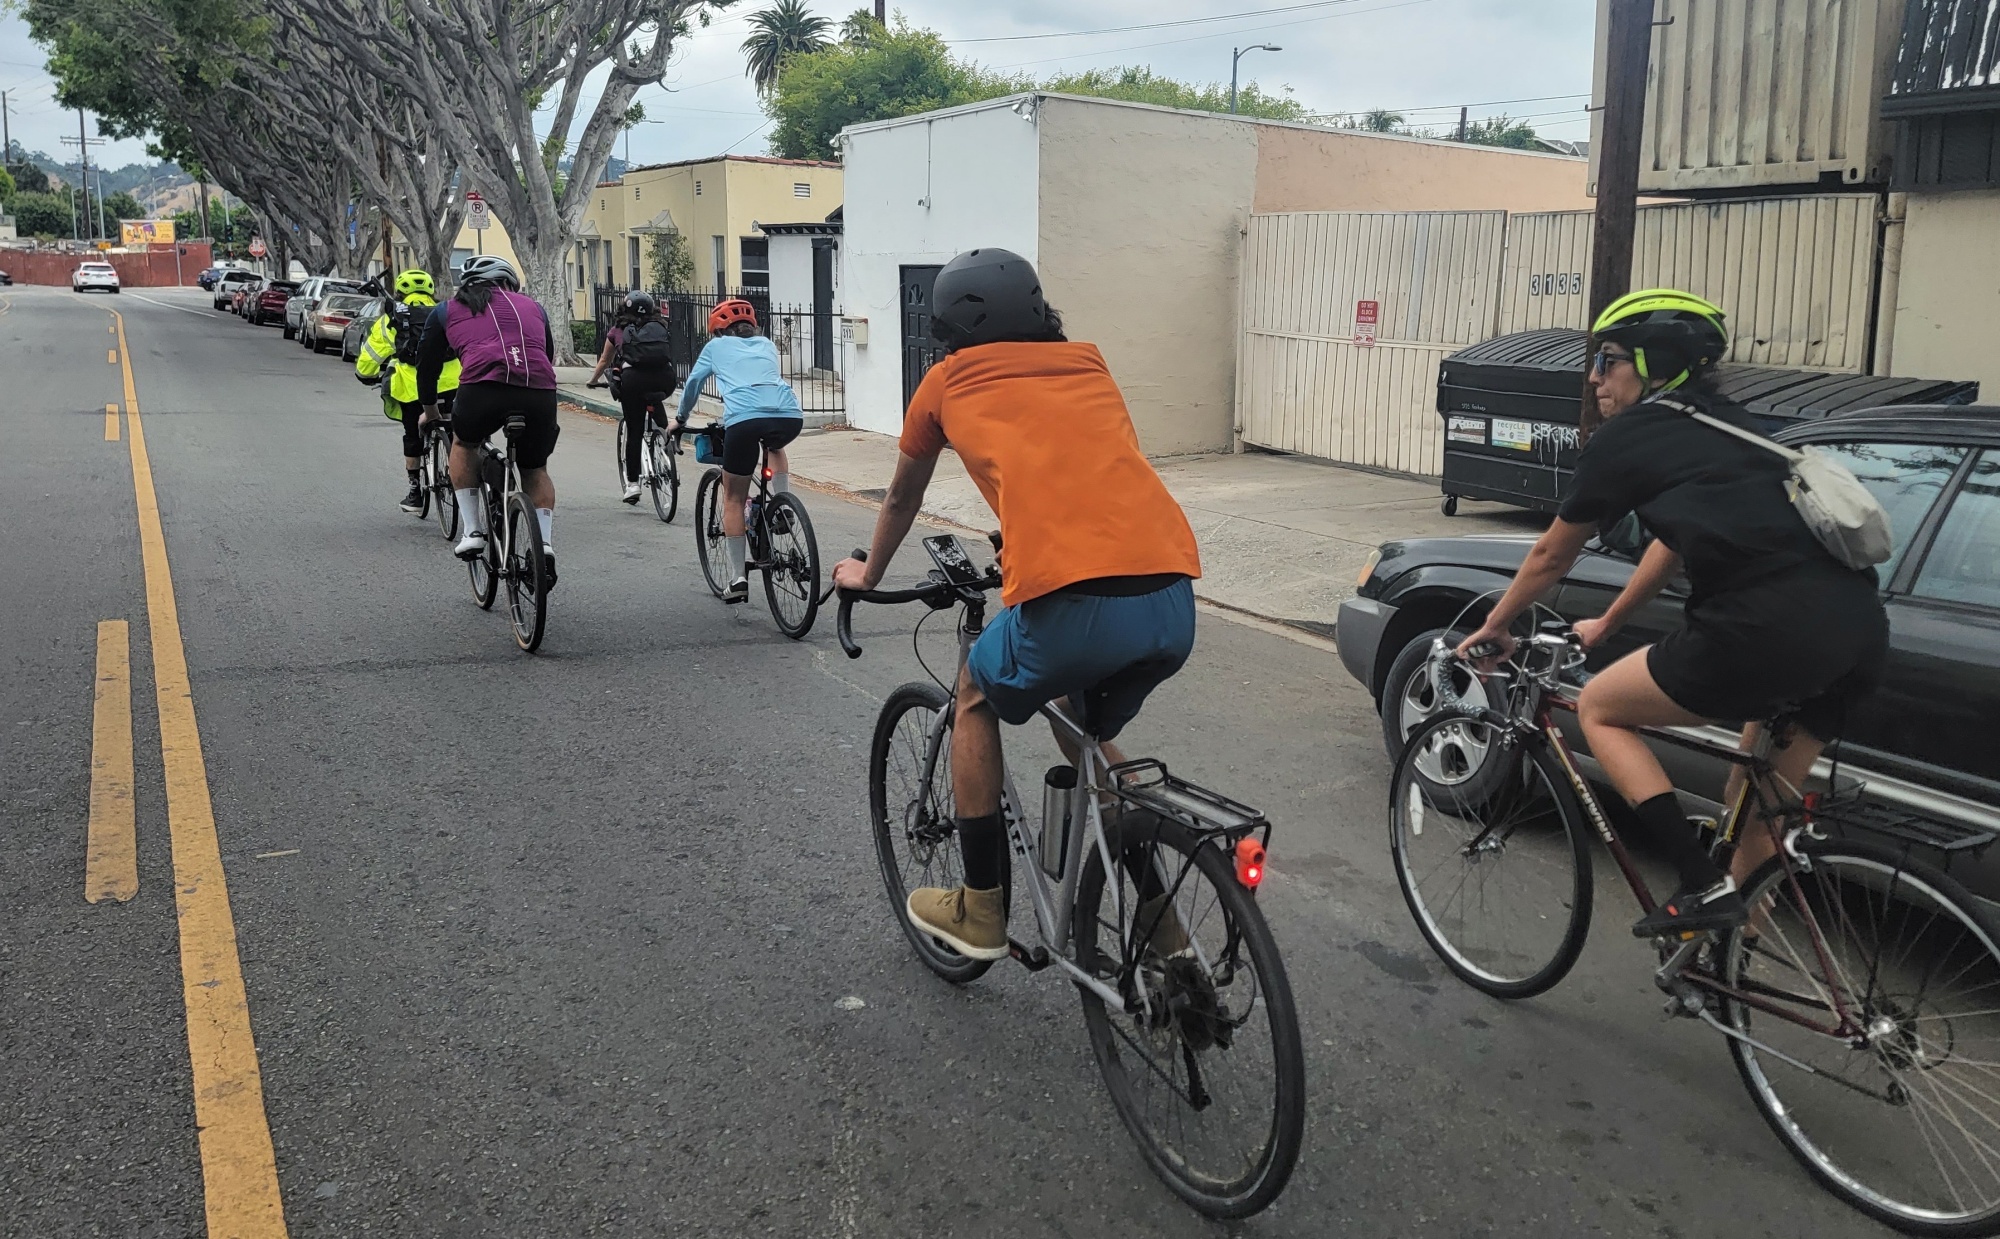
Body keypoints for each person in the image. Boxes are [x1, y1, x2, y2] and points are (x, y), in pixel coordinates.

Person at [1455, 289, 1889, 937]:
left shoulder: (1628, 438)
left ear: (1654, 365)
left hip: (1757, 627)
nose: (1595, 380)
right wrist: (1608, 623)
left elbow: (1551, 555)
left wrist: (1496, 624)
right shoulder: (1736, 428)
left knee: (1599, 707)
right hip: (1856, 630)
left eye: (1606, 361)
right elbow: (1671, 545)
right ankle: (1733, 966)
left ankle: (1697, 879)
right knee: (1754, 809)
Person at [830, 248, 1203, 961]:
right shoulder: (1090, 366)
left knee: (974, 693)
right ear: (1040, 312)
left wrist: (868, 573)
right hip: (1169, 595)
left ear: (946, 331)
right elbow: (1084, 468)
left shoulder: (943, 383)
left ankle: (979, 909)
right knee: (1079, 722)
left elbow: (903, 496)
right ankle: (1166, 930)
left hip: (1075, 602)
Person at [413, 254, 561, 585]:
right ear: (509, 283)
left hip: (482, 390)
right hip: (538, 391)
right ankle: (546, 545)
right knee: (534, 468)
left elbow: (427, 365)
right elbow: (546, 355)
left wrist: (431, 410)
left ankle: (473, 531)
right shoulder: (534, 308)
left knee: (464, 444)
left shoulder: (446, 310)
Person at [674, 298, 802, 600]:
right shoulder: (767, 344)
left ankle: (737, 579)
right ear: (752, 326)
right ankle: (782, 505)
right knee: (773, 446)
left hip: (744, 420)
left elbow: (693, 385)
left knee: (733, 497)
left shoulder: (716, 348)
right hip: (789, 416)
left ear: (719, 330)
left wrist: (680, 420)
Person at [356, 268, 459, 513]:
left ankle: (415, 493)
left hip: (411, 387)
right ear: (431, 291)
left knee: (412, 433)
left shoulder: (393, 317)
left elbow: (372, 353)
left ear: (401, 291)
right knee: (457, 432)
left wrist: (366, 374)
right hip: (452, 381)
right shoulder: (447, 312)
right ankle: (460, 476)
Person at [588, 290, 679, 503]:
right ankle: (668, 450)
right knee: (656, 405)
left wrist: (593, 381)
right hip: (665, 380)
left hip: (634, 381)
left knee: (635, 429)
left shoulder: (617, 330)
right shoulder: (660, 326)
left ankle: (632, 484)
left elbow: (604, 361)